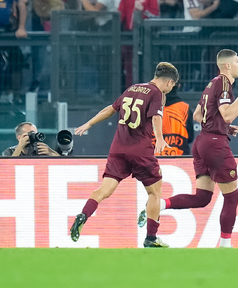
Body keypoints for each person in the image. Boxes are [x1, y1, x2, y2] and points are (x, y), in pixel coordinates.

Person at [137, 50, 238, 248]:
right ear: (227, 66)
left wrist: (222, 127)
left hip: (202, 143)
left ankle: (160, 205)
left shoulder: (211, 84)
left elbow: (199, 115)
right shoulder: (225, 83)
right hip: (216, 144)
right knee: (232, 196)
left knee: (202, 198)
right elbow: (227, 115)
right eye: (237, 61)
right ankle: (226, 246)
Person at [70, 62, 179, 248]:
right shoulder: (157, 94)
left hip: (117, 150)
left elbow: (110, 110)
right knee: (155, 193)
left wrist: (89, 123)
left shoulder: (132, 88)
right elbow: (156, 116)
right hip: (140, 151)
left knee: (104, 191)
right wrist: (160, 138)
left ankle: (83, 215)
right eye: (172, 86)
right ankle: (151, 238)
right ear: (169, 82)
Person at [153, 83, 194, 156]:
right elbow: (190, 137)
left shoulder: (151, 108)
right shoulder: (184, 108)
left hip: (155, 159)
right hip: (180, 159)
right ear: (178, 85)